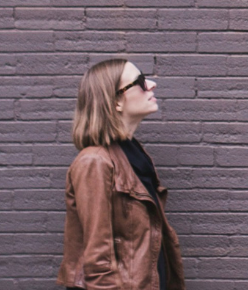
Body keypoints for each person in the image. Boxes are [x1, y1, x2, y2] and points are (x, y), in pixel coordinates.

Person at [58, 58, 184, 290]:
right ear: (116, 101)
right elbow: (98, 261)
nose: (152, 84)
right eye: (139, 82)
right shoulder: (95, 162)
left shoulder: (133, 155)